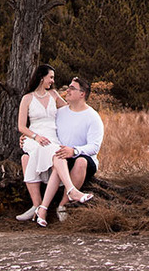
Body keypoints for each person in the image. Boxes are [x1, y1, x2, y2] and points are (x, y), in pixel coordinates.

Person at [15, 65, 91, 226]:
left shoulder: (53, 95)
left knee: (57, 153)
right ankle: (70, 191)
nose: (53, 81)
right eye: (51, 77)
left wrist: (85, 111)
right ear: (41, 77)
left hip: (51, 138)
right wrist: (35, 137)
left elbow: (69, 111)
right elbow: (21, 126)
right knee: (52, 153)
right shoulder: (27, 98)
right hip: (34, 139)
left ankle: (41, 207)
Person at [39, 76, 102, 223]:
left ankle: (63, 205)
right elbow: (45, 129)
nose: (67, 90)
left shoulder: (93, 117)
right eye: (68, 87)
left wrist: (74, 151)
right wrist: (28, 137)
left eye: (72, 88)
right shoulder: (60, 113)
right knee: (58, 158)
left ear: (82, 94)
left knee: (80, 162)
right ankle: (42, 208)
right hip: (61, 156)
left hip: (84, 158)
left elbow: (94, 147)